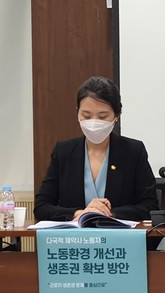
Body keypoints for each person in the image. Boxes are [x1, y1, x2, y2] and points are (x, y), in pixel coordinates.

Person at [34, 76, 158, 222]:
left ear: (116, 115)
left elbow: (150, 207)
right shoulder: (63, 152)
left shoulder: (133, 151)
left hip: (119, 235)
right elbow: (41, 207)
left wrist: (109, 213)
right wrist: (79, 213)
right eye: (86, 116)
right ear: (77, 112)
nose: (94, 122)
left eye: (103, 116)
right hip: (73, 235)